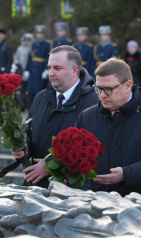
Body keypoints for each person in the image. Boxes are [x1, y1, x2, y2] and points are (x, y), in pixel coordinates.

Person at [75, 58, 141, 204]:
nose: (102, 95)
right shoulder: (87, 117)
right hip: (100, 204)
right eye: (98, 88)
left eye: (108, 89)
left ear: (127, 86)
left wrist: (126, 174)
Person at [12, 46, 99, 188]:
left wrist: (49, 164)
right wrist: (23, 146)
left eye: (57, 68)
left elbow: (89, 148)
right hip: (36, 184)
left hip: (72, 189)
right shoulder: (41, 97)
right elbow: (28, 131)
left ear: (74, 70)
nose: (50, 73)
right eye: (49, 67)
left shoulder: (93, 102)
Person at [25, 25, 51, 110]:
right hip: (33, 70)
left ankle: (40, 108)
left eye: (41, 33)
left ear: (43, 34)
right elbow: (29, 58)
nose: (39, 35)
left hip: (41, 69)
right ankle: (30, 108)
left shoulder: (47, 44)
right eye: (37, 33)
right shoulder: (33, 44)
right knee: (31, 90)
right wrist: (27, 70)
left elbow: (48, 57)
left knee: (39, 89)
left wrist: (46, 69)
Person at [14, 33, 34, 111]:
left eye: (29, 39)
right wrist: (18, 66)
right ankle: (21, 106)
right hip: (21, 72)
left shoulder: (32, 48)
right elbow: (16, 59)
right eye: (25, 39)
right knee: (21, 90)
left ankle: (29, 106)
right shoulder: (19, 48)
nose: (26, 41)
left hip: (30, 72)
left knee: (29, 91)